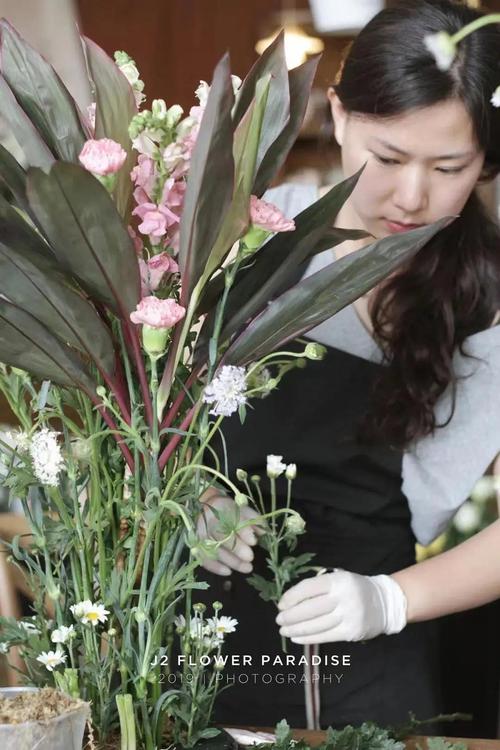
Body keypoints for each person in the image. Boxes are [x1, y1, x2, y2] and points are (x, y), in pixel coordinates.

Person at [195, 0, 500, 731]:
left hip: (364, 667)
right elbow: (144, 414)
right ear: (338, 116)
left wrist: (388, 601)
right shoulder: (244, 233)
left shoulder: (488, 303)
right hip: (193, 647)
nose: (412, 196)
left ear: (487, 161)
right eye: (388, 157)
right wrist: (193, 500)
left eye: (448, 166)